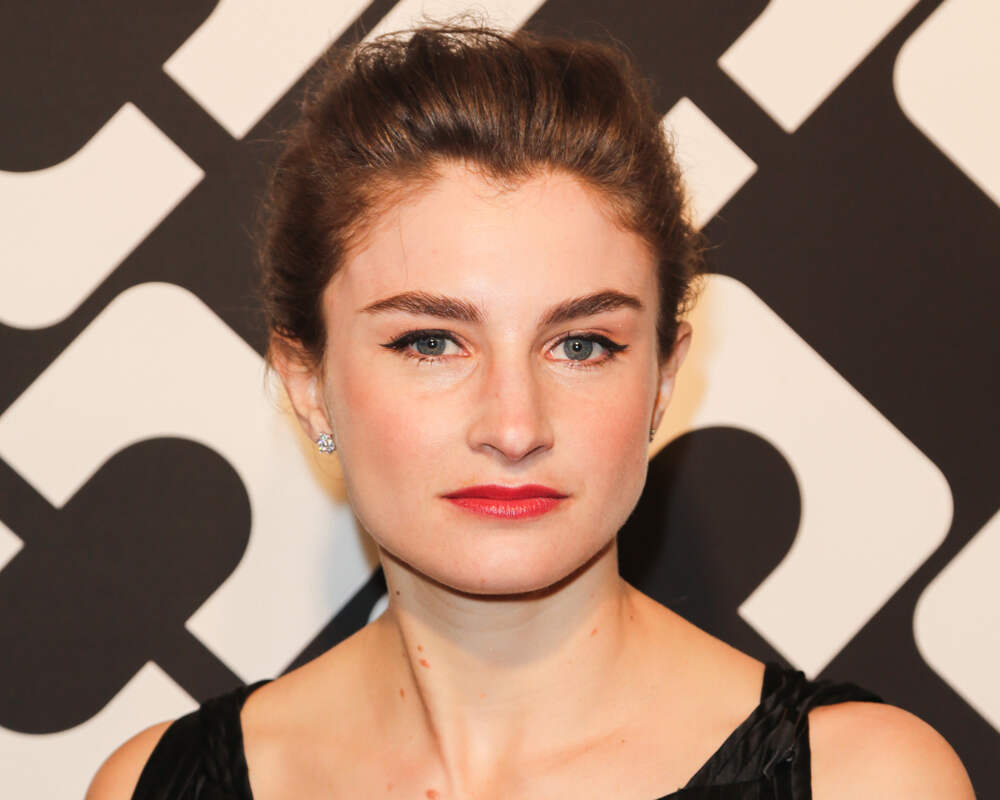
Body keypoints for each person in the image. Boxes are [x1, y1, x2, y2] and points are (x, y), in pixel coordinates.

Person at [86, 21, 975, 800]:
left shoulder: (865, 782)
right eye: (431, 342)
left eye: (580, 345)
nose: (514, 428)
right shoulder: (154, 787)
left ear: (663, 378)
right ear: (307, 382)